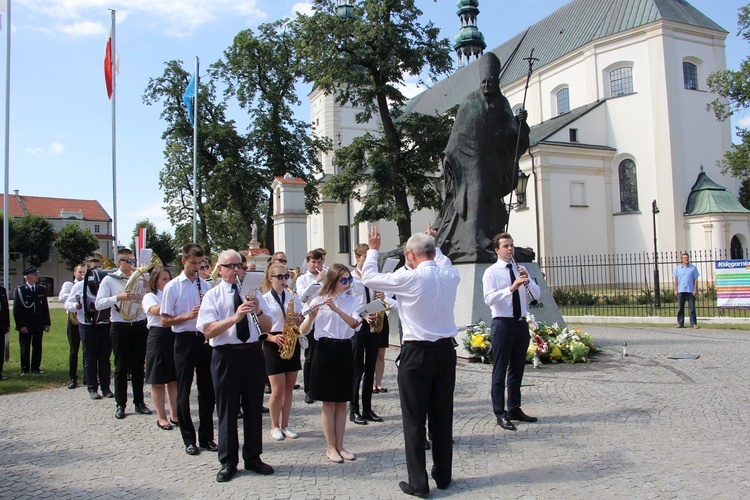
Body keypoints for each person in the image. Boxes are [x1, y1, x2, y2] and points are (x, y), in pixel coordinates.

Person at [361, 224, 459, 496]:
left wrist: (373, 250)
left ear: (411, 256)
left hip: (417, 352)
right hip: (446, 352)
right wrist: (434, 243)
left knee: (414, 419)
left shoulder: (410, 278)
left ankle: (418, 482)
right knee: (442, 415)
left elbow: (368, 277)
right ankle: (443, 475)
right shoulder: (450, 274)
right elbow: (441, 259)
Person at [434, 52, 530, 264]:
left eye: (491, 82)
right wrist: (451, 158)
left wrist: (518, 123)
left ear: (497, 83)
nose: (487, 85)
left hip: (491, 160)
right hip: (468, 160)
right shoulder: (469, 102)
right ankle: (473, 243)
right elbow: (458, 134)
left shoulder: (503, 103)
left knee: (491, 200)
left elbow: (507, 132)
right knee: (475, 194)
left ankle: (490, 241)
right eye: (484, 81)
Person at [197, 249, 275, 483]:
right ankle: (228, 461)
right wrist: (235, 318)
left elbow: (269, 325)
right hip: (225, 355)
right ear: (219, 269)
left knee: (253, 407)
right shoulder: (213, 295)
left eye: (238, 266)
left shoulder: (254, 293)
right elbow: (207, 329)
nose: (235, 270)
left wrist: (257, 308)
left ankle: (253, 457)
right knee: (227, 410)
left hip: (252, 353)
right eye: (229, 266)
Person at [299, 263, 361, 464]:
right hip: (324, 350)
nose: (347, 283)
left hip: (343, 348)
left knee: (342, 402)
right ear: (333, 281)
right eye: (343, 280)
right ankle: (330, 446)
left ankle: (341, 445)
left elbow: (355, 324)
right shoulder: (318, 299)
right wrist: (311, 316)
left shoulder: (352, 300)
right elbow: (303, 330)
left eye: (349, 280)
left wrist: (336, 309)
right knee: (328, 403)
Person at [160, 243, 216, 456]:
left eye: (199, 263)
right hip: (183, 339)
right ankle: (188, 439)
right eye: (192, 263)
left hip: (203, 339)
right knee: (183, 390)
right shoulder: (173, 286)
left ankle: (206, 437)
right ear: (184, 261)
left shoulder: (206, 286)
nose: (196, 267)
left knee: (207, 391)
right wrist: (189, 316)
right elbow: (165, 320)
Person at [483, 233, 541, 432]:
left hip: (520, 323)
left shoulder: (520, 269)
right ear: (497, 250)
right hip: (502, 324)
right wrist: (511, 288)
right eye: (506, 246)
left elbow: (536, 295)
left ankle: (514, 408)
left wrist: (527, 281)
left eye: (512, 245)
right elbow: (488, 299)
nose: (510, 249)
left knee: (517, 370)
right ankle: (500, 413)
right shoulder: (491, 273)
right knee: (500, 371)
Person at [95, 248, 150, 419]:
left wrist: (147, 284)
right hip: (120, 325)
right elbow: (99, 304)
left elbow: (149, 295)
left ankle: (139, 402)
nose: (132, 264)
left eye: (133, 260)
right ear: (120, 262)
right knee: (120, 367)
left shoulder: (141, 278)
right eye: (128, 261)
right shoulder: (109, 280)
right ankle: (121, 404)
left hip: (139, 323)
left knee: (138, 366)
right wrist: (118, 297)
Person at [261, 263, 302, 440]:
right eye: (280, 277)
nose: (284, 280)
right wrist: (271, 337)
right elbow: (258, 327)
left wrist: (299, 318)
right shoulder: (264, 298)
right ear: (270, 279)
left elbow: (301, 319)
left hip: (290, 339)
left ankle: (285, 424)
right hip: (273, 341)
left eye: (286, 277)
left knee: (289, 388)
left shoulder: (292, 296)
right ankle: (274, 425)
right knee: (277, 390)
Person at [66, 261, 113, 400]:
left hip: (105, 323)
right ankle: (92, 388)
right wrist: (76, 305)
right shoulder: (79, 286)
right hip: (87, 325)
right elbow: (67, 304)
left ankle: (106, 388)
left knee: (105, 358)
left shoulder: (106, 285)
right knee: (90, 358)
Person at [142, 267, 179, 431]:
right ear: (155, 281)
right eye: (164, 279)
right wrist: (172, 301)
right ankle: (161, 417)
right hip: (157, 336)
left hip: (173, 334)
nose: (168, 282)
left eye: (169, 278)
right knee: (158, 380)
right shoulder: (150, 296)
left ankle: (175, 414)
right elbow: (155, 310)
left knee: (174, 379)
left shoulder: (173, 293)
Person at [350, 243, 382, 425]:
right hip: (357, 326)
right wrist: (363, 315)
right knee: (356, 369)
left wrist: (381, 298)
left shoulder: (372, 278)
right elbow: (349, 305)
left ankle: (367, 408)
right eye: (365, 259)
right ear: (358, 258)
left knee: (370, 368)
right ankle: (353, 409)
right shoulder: (351, 279)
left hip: (373, 325)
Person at [297, 249, 325, 404]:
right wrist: (317, 282)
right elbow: (303, 297)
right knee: (309, 357)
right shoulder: (302, 279)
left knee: (322, 356)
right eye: (313, 262)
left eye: (319, 262)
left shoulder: (326, 277)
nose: (316, 265)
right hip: (310, 320)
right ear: (308, 262)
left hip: (325, 320)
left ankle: (320, 386)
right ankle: (309, 390)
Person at [13, 267, 51, 376]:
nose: (37, 276)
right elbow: (17, 310)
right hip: (26, 324)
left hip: (38, 323)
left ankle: (36, 367)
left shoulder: (40, 289)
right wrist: (21, 325)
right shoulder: (20, 290)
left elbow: (44, 307)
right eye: (35, 274)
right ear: (28, 276)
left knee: (37, 346)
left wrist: (47, 323)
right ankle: (24, 369)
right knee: (25, 347)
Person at [58, 264, 86, 389]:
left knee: (87, 351)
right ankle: (73, 378)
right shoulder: (69, 285)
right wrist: (75, 294)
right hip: (73, 320)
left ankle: (87, 377)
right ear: (74, 273)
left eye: (84, 272)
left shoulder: (88, 284)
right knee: (74, 351)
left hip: (85, 320)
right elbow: (62, 297)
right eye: (80, 272)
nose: (82, 274)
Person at [674, 253, 700, 329]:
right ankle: (680, 323)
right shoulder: (678, 268)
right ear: (682, 259)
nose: (686, 259)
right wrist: (675, 289)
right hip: (681, 290)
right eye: (684, 257)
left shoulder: (693, 268)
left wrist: (695, 289)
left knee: (692, 308)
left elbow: (696, 279)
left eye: (687, 257)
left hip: (690, 290)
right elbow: (675, 279)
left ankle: (693, 323)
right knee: (680, 308)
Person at [0, 284, 10, 380]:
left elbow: (5, 309)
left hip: (1, 325)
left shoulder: (2, 290)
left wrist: (7, 324)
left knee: (1, 349)